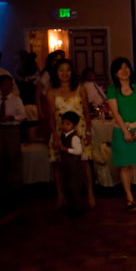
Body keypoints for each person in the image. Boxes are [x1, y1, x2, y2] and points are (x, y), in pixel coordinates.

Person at [107, 57, 136, 211]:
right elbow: (115, 112)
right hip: (121, 131)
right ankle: (129, 197)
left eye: (126, 67)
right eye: (120, 68)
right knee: (125, 166)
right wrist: (125, 131)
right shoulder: (112, 90)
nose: (124, 71)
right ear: (115, 73)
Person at [47, 58, 95, 209]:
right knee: (59, 164)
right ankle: (61, 194)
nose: (65, 73)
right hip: (61, 132)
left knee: (84, 163)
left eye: (68, 69)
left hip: (79, 131)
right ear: (56, 73)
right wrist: (55, 135)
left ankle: (89, 194)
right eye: (61, 70)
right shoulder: (52, 91)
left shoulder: (80, 88)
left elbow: (87, 111)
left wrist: (88, 131)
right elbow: (51, 116)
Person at [0, 75, 26, 197]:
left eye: (10, 84)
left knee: (14, 155)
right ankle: (1, 184)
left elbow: (22, 116)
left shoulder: (16, 100)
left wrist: (11, 117)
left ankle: (16, 184)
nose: (8, 87)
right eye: (5, 84)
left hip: (12, 128)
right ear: (0, 86)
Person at [58, 110, 86, 214]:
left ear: (74, 125)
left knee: (74, 187)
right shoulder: (63, 136)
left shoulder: (74, 137)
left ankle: (78, 208)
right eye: (63, 123)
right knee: (68, 186)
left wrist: (66, 150)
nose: (64, 126)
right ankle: (71, 206)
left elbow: (78, 151)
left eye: (68, 124)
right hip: (67, 166)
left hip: (74, 167)